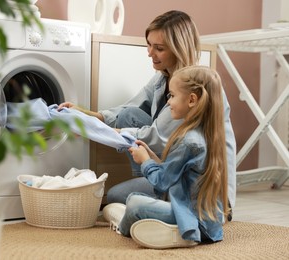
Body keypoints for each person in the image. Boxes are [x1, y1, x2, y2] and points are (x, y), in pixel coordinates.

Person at [58, 10, 236, 217]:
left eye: (158, 48)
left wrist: (94, 130)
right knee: (130, 115)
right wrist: (88, 115)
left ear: (178, 49)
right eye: (149, 45)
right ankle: (153, 189)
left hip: (203, 188)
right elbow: (129, 109)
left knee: (115, 196)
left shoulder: (194, 88)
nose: (150, 53)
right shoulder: (164, 77)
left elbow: (155, 137)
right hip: (174, 168)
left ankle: (157, 195)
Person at [103, 65, 229, 249]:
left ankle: (127, 227)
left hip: (191, 217)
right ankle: (169, 230)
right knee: (135, 200)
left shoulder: (189, 141)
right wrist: (152, 156)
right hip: (206, 221)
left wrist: (144, 161)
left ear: (192, 99)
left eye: (172, 96)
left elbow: (162, 182)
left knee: (134, 203)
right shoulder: (204, 135)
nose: (169, 102)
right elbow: (173, 174)